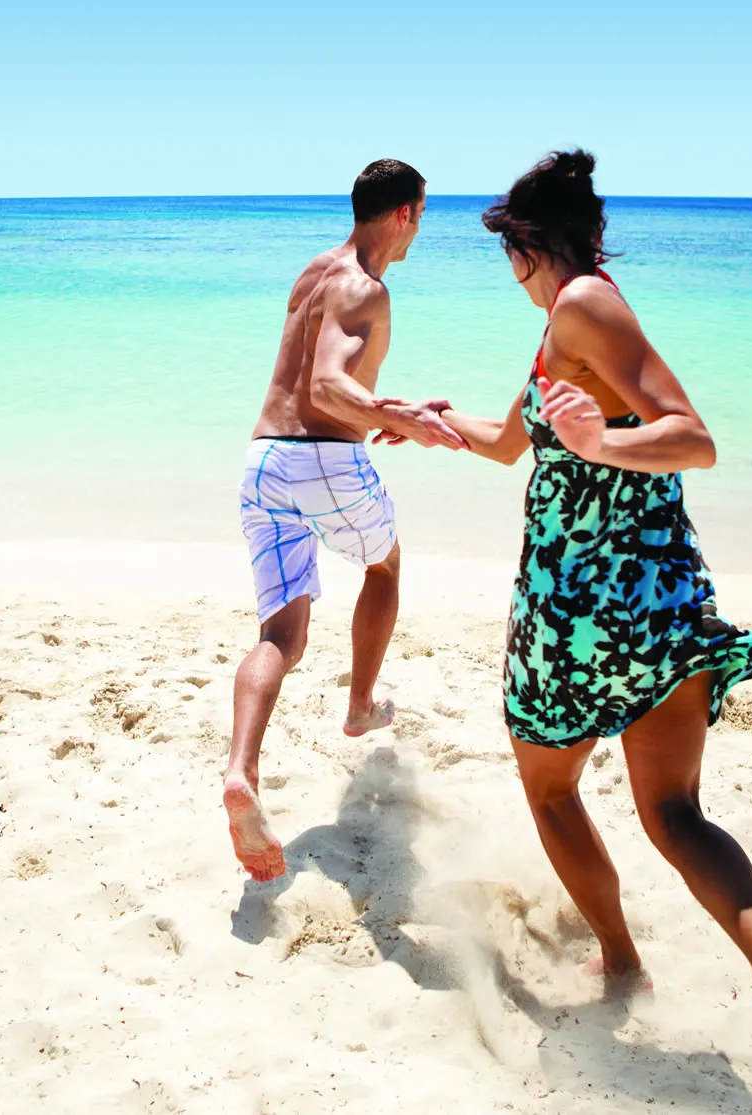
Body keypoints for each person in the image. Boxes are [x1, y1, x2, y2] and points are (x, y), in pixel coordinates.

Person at [391, 150, 752, 1112]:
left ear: (531, 246)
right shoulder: (570, 330)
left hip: (575, 612)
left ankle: (621, 959)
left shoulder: (583, 309)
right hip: (655, 605)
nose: (513, 278)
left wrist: (605, 442)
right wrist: (434, 420)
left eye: (510, 257)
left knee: (552, 789)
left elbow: (692, 436)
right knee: (676, 815)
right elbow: (516, 441)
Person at [223, 158, 465, 883]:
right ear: (406, 215)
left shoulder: (314, 273)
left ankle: (241, 769)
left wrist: (381, 410)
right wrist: (398, 416)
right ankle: (360, 705)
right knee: (384, 563)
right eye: (422, 216)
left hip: (263, 461)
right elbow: (329, 388)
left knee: (280, 635)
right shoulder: (369, 286)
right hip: (321, 461)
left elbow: (310, 380)